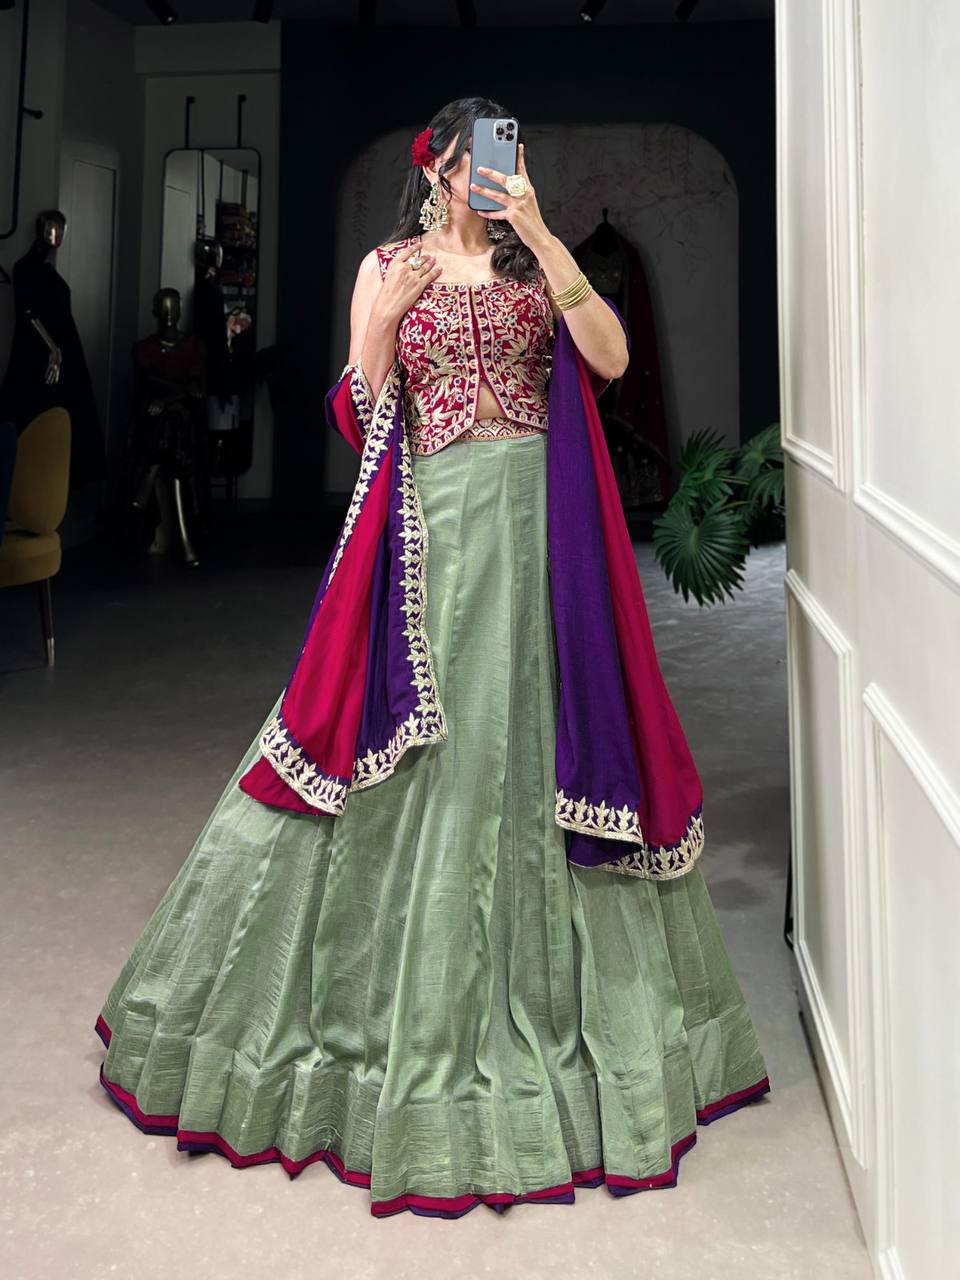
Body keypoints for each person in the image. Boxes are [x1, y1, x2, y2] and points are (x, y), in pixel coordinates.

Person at [93, 97, 770, 1220]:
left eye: (513, 152)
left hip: (542, 538)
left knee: (535, 739)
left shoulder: (533, 265)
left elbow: (610, 357)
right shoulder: (388, 265)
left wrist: (542, 233)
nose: (496, 172)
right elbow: (361, 415)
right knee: (416, 746)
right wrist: (385, 323)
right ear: (438, 165)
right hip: (430, 535)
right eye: (478, 157)